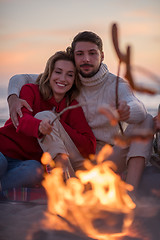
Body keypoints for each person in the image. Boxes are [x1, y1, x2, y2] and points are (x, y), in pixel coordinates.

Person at [7, 31, 153, 194]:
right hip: (77, 157)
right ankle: (69, 189)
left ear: (102, 56)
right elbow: (21, 78)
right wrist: (12, 97)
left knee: (146, 119)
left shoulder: (116, 84)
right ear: (73, 57)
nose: (86, 59)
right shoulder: (68, 79)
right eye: (80, 54)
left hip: (111, 157)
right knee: (45, 116)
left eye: (92, 53)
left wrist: (125, 112)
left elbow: (139, 108)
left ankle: (131, 193)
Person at [0, 50, 96, 191]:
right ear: (49, 73)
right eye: (58, 72)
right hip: (2, 149)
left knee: (35, 172)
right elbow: (21, 121)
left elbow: (89, 145)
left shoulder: (72, 106)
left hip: (26, 163)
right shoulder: (31, 90)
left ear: (74, 80)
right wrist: (40, 126)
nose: (63, 79)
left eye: (69, 75)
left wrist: (56, 124)